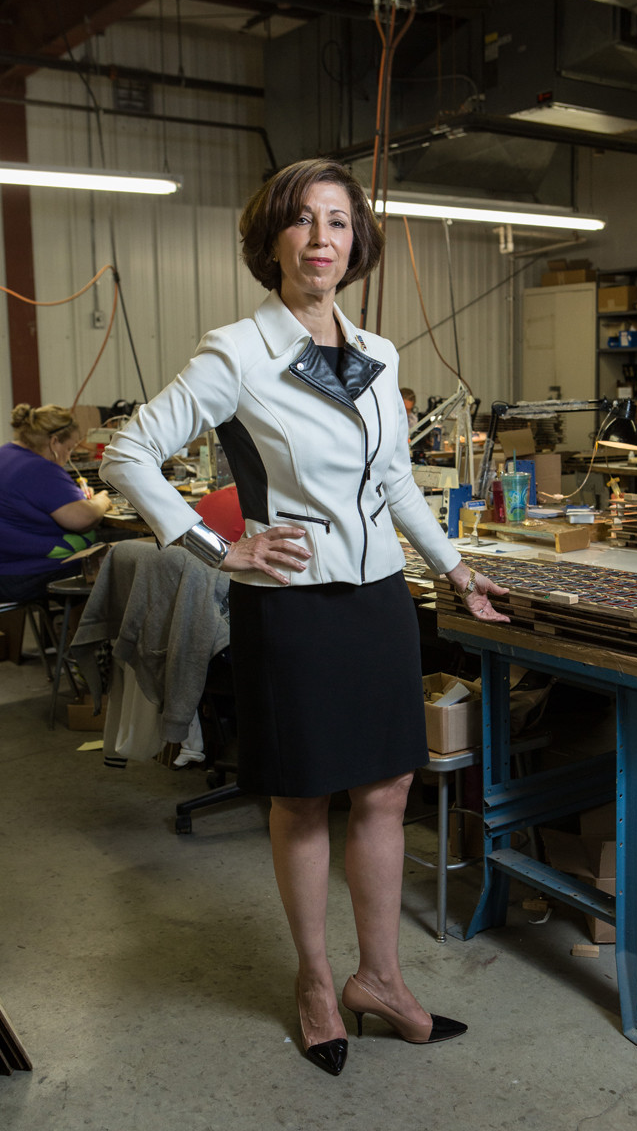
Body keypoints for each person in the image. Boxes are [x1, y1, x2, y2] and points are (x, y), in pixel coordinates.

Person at [99, 158, 508, 1077]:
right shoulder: (237, 352)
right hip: (291, 608)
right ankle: (319, 984)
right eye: (303, 221)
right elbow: (130, 453)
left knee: (388, 790)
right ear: (272, 240)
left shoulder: (380, 353)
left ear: (355, 242)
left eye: (338, 221)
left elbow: (395, 477)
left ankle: (384, 980)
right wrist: (217, 547)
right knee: (303, 797)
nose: (322, 238)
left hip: (375, 601)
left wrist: (454, 568)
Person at [0, 403, 112, 603]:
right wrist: (100, 501)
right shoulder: (39, 468)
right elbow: (82, 519)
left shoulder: (6, 454)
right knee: (112, 566)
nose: (69, 457)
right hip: (22, 575)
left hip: (8, 569)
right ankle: (79, 633)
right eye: (69, 448)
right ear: (54, 442)